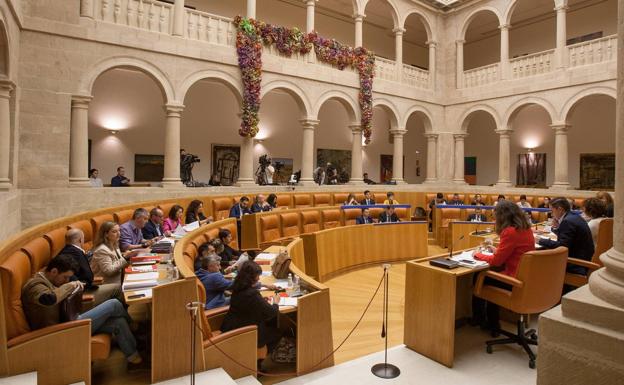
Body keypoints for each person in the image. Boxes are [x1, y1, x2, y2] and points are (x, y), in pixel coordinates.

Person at [22, 255, 143, 368]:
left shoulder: (50, 278)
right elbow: (48, 299)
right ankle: (135, 327)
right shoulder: (35, 285)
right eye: (65, 277)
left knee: (119, 322)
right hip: (55, 333)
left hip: (67, 322)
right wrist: (70, 285)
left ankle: (134, 358)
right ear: (54, 271)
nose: (66, 280)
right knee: (114, 304)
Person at [472, 201, 535, 330]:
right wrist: (497, 250)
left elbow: (496, 262)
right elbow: (515, 253)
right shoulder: (526, 229)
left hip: (514, 279)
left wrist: (477, 254)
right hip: (525, 278)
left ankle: (482, 320)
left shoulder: (509, 232)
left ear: (502, 216)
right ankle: (492, 322)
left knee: (479, 276)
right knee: (490, 276)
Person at [221, 261, 283, 353]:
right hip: (246, 332)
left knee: (270, 322)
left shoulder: (238, 285)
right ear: (251, 278)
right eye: (257, 276)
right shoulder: (252, 293)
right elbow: (272, 312)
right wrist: (276, 302)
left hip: (232, 326)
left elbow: (250, 303)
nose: (258, 278)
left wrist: (261, 301)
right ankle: (257, 360)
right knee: (278, 332)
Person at [58, 228, 121, 306]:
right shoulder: (71, 253)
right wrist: (78, 283)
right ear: (80, 240)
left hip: (87, 287)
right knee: (118, 289)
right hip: (82, 293)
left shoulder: (69, 250)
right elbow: (67, 276)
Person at [538, 197, 594, 275]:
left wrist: (540, 240)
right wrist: (555, 228)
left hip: (576, 263)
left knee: (540, 260)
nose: (551, 213)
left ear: (560, 209)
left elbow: (562, 246)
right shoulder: (573, 216)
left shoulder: (567, 221)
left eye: (552, 210)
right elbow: (567, 237)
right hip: (583, 258)